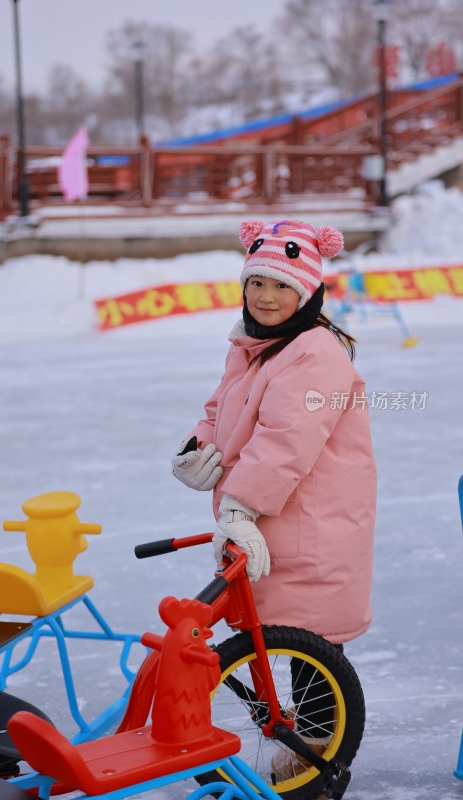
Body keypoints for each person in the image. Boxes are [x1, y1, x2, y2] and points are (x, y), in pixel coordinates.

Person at [171, 218, 376, 784]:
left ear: (308, 291)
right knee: (283, 640)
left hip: (310, 524)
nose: (266, 296)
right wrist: (199, 449)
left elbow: (286, 442)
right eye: (257, 282)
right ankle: (306, 749)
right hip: (270, 519)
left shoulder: (314, 354)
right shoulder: (255, 346)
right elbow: (220, 410)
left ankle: (319, 762)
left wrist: (238, 506)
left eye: (282, 286)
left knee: (312, 649)